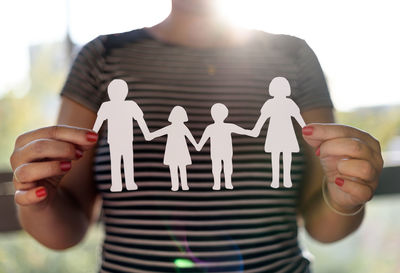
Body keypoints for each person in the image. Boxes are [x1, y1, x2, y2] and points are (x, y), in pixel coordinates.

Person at [10, 1, 384, 272]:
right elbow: (67, 225)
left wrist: (346, 193)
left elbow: (323, 223)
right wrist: (38, 198)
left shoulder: (294, 57)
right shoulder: (102, 58)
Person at [92, 79, 150, 192]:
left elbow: (140, 120)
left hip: (126, 139)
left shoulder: (130, 105)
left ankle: (128, 182)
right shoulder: (107, 106)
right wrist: (91, 135)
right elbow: (98, 123)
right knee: (117, 161)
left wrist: (147, 133)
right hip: (115, 140)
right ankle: (118, 184)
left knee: (125, 160)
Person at [251, 77, 306, 189]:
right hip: (275, 132)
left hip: (286, 132)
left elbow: (298, 117)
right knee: (275, 156)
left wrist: (306, 129)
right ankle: (275, 179)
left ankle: (286, 179)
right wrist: (256, 130)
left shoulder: (289, 103)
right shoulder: (269, 103)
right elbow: (263, 118)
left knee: (286, 155)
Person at [197, 103, 255, 190]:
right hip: (222, 152)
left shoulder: (211, 128)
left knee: (220, 166)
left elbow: (201, 143)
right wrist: (251, 132)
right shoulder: (224, 127)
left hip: (221, 152)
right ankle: (224, 183)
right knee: (223, 166)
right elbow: (244, 131)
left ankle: (221, 184)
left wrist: (197, 146)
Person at [147, 106, 198, 191]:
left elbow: (190, 137)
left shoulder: (176, 127)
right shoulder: (178, 127)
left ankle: (178, 186)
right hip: (176, 151)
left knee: (177, 168)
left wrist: (150, 135)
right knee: (178, 168)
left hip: (176, 151)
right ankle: (181, 186)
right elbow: (191, 138)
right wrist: (196, 145)